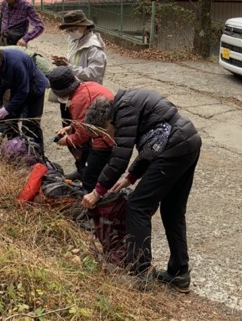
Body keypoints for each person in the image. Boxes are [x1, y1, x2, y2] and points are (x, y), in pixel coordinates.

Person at [81, 89, 202, 293]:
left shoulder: (123, 111)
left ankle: (139, 274)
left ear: (107, 120)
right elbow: (153, 143)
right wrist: (131, 177)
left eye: (105, 133)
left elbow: (120, 157)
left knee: (137, 206)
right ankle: (179, 273)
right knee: (173, 211)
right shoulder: (126, 104)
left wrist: (97, 192)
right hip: (187, 140)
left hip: (175, 145)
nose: (108, 138)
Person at [49, 67, 115, 188]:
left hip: (104, 138)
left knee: (91, 177)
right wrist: (70, 127)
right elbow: (84, 119)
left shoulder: (78, 100)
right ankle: (83, 173)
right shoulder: (87, 86)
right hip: (104, 130)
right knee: (87, 161)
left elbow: (83, 133)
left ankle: (92, 197)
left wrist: (67, 140)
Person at [0, 45, 48, 153]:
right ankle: (15, 149)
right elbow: (0, 83)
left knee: (30, 125)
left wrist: (7, 108)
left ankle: (36, 155)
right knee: (10, 120)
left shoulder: (16, 64)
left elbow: (24, 91)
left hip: (34, 89)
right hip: (17, 88)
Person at [51, 10, 106, 84]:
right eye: (68, 30)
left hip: (89, 90)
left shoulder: (94, 48)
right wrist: (65, 62)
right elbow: (76, 62)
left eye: (73, 29)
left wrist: (69, 67)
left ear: (84, 26)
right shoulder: (75, 41)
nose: (70, 32)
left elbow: (93, 74)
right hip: (75, 86)